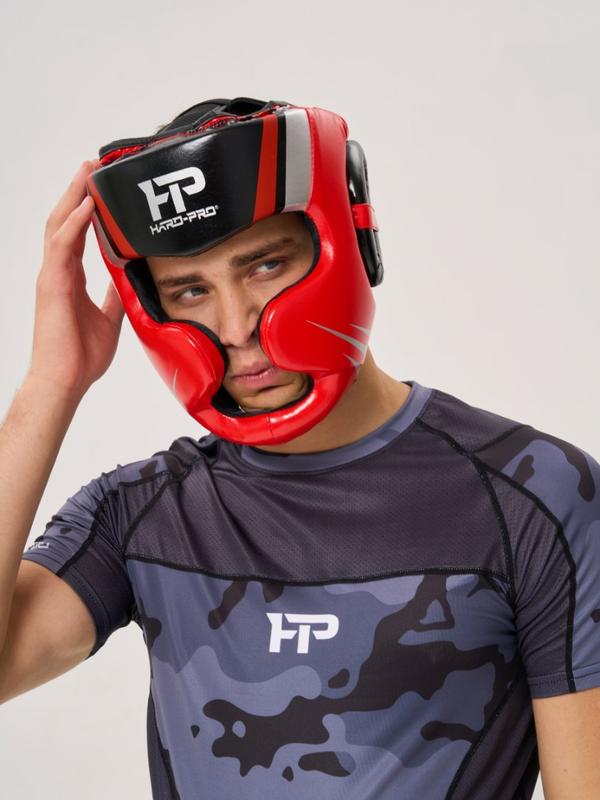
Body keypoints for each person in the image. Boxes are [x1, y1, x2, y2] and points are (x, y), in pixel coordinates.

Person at [0, 97, 599, 800]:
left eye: (264, 266)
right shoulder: (142, 513)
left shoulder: (535, 495)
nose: (235, 328)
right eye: (189, 290)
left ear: (353, 243)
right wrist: (50, 384)